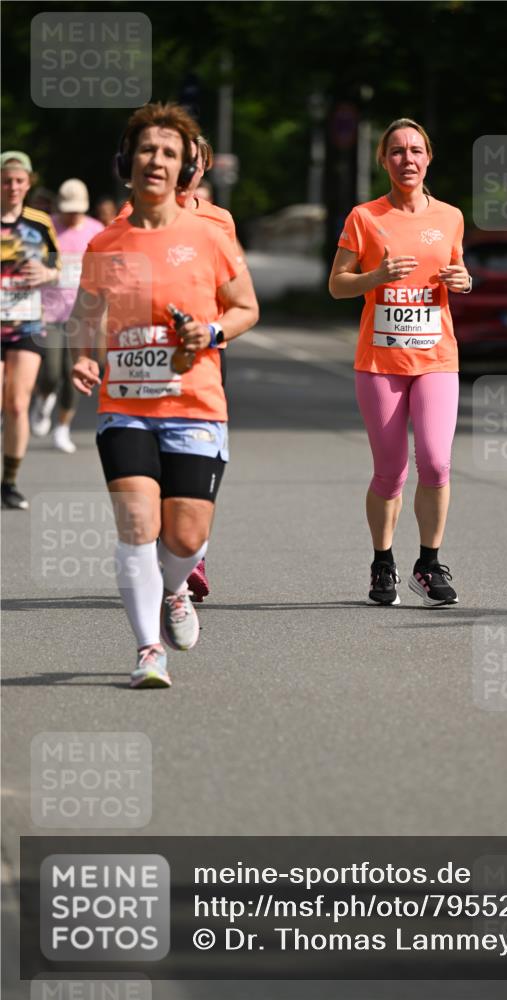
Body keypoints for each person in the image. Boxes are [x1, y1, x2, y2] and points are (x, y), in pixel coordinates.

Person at [68, 102, 259, 688]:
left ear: (185, 169)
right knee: (137, 525)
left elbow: (246, 307)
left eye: (170, 153)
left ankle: (174, 586)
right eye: (148, 149)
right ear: (128, 162)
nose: (157, 160)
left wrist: (214, 331)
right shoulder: (106, 244)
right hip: (125, 405)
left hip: (196, 403)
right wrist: (81, 355)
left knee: (185, 536)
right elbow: (85, 315)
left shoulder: (209, 236)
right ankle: (149, 649)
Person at [328, 118, 472, 607]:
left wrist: (463, 281)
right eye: (396, 151)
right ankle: (382, 562)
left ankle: (428, 565)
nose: (406, 159)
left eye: (415, 150)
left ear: (428, 157)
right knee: (389, 471)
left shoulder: (450, 216)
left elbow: (455, 270)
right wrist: (376, 276)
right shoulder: (365, 217)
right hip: (380, 361)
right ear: (383, 160)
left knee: (435, 461)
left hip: (437, 358)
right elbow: (337, 284)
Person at [116, 133, 244, 603]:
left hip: (205, 350)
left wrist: (211, 327)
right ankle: (159, 547)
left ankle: (193, 552)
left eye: (193, 161)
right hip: (146, 354)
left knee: (194, 455)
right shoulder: (132, 215)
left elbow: (234, 289)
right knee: (154, 455)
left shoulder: (218, 219)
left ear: (201, 168)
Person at [1, 151, 60, 510]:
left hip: (26, 322)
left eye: (19, 180)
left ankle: (9, 481)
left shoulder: (40, 222)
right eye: (6, 180)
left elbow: (59, 265)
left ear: (28, 182)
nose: (12, 187)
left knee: (18, 404)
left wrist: (47, 274)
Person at [31, 178, 104, 452]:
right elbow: (33, 264)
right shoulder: (46, 228)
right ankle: (42, 397)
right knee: (50, 372)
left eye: (77, 209)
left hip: (83, 315)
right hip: (49, 312)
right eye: (68, 209)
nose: (72, 214)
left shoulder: (96, 231)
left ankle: (62, 427)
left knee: (73, 373)